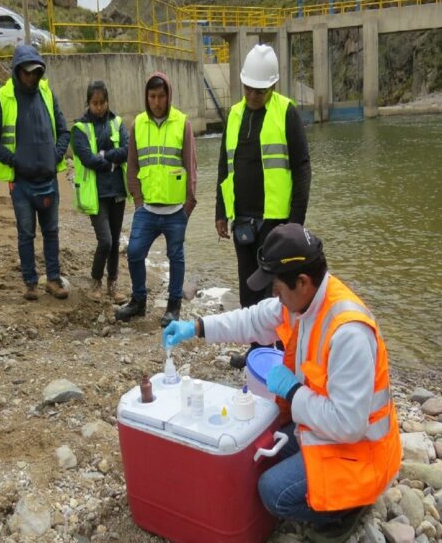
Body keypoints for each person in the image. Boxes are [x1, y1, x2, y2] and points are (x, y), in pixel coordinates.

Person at [163, 224, 401, 540]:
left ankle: (348, 507)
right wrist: (197, 327)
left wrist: (291, 390)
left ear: (302, 282)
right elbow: (251, 320)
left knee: (272, 492)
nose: (275, 297)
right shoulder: (303, 300)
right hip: (322, 427)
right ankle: (327, 492)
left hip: (359, 451)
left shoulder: (349, 333)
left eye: (277, 289)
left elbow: (348, 424)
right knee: (258, 449)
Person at [217, 44, 312, 370]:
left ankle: (287, 355)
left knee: (281, 294)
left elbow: (302, 167)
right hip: (242, 219)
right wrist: (220, 211)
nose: (253, 95)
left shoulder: (286, 112)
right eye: (248, 89)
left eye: (259, 90)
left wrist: (295, 223)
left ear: (271, 86)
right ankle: (258, 351)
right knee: (248, 291)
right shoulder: (233, 115)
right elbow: (223, 166)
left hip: (276, 221)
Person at [0, 45, 70, 301]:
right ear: (17, 71)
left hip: (48, 178)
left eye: (37, 72)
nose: (32, 77)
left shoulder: (46, 93)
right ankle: (30, 282)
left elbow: (64, 131)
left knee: (51, 231)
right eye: (28, 72)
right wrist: (14, 161)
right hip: (21, 182)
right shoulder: (3, 97)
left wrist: (55, 157)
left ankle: (53, 280)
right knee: (26, 233)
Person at [115, 72, 197, 327]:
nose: (157, 102)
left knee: (176, 257)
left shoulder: (182, 123)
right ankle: (139, 301)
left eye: (161, 96)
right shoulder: (138, 124)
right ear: (146, 97)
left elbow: (191, 167)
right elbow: (132, 166)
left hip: (175, 211)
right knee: (135, 252)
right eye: (152, 96)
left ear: (168, 96)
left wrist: (188, 206)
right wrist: (138, 201)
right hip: (147, 209)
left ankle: (174, 306)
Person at [70, 80, 129, 304]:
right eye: (94, 103)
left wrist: (106, 156)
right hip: (95, 193)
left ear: (107, 101)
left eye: (102, 102)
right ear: (88, 103)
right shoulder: (80, 128)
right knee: (105, 240)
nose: (99, 107)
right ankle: (95, 281)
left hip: (117, 190)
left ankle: (112, 285)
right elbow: (87, 158)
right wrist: (109, 160)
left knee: (114, 240)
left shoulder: (117, 122)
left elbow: (127, 149)